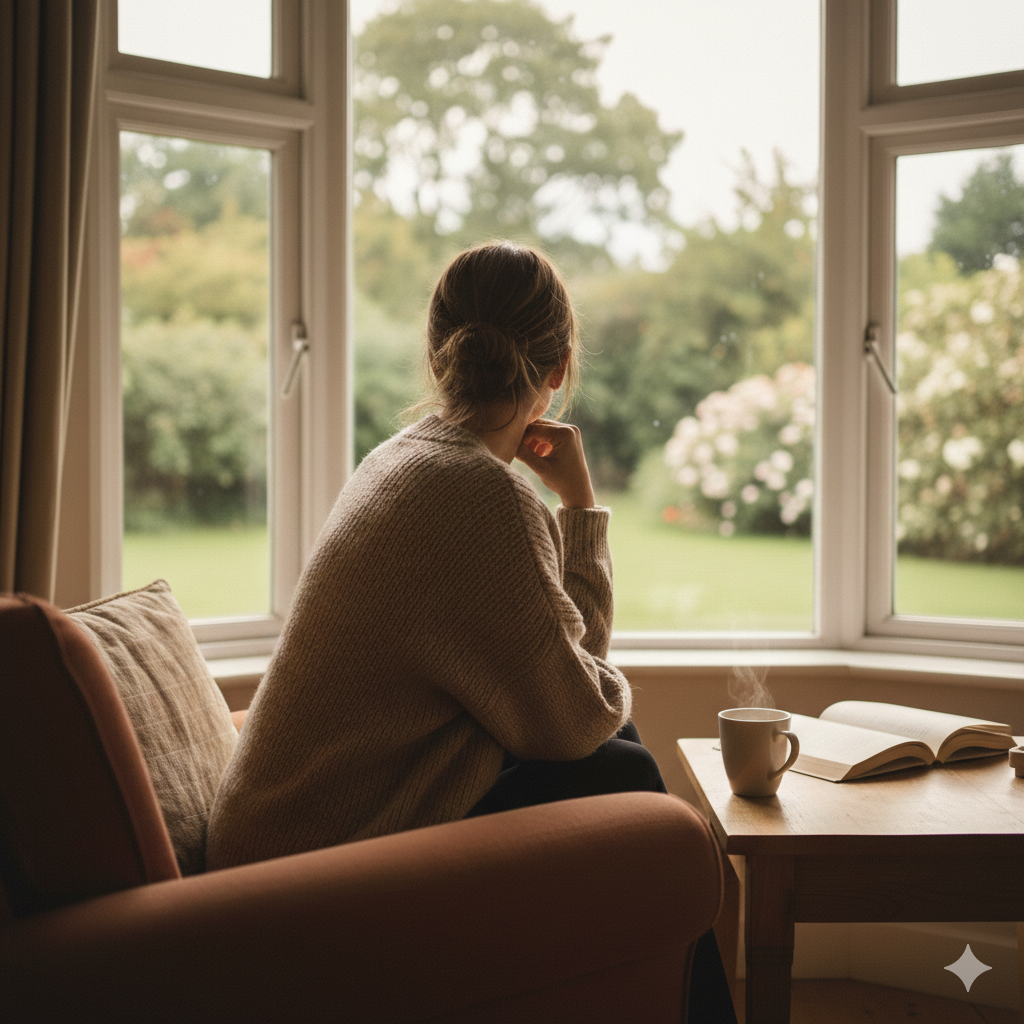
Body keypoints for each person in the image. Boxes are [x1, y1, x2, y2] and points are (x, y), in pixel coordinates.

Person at [206, 240, 735, 1020]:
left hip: (282, 837)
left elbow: (566, 690)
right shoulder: (482, 496)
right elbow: (578, 715)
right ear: (559, 368)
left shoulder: (401, 459)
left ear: (435, 353)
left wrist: (572, 519)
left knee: (614, 755)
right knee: (620, 767)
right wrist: (581, 510)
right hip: (308, 870)